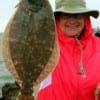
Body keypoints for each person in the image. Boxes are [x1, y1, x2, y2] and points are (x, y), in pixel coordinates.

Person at [37, 0, 100, 100]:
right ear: (57, 19)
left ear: (85, 18)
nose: (72, 21)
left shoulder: (98, 45)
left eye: (77, 15)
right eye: (66, 15)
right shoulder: (45, 44)